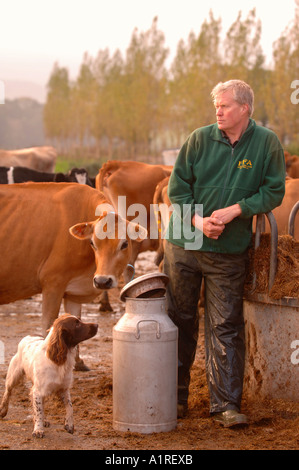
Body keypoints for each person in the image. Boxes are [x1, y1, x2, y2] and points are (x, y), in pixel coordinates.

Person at [163, 79, 285, 428]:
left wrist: (237, 210)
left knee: (226, 324)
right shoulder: (199, 139)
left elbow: (273, 190)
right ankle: (174, 397)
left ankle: (226, 405)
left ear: (245, 108)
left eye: (226, 105)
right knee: (179, 319)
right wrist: (199, 221)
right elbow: (177, 189)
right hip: (185, 243)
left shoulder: (266, 143)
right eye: (216, 105)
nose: (218, 111)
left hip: (228, 250)